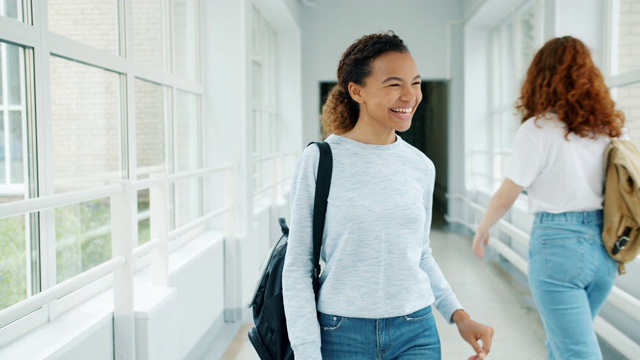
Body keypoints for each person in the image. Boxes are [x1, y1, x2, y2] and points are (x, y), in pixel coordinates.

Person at [283, 31, 494, 360]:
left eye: (416, 83)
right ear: (357, 91)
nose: (409, 95)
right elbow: (297, 267)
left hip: (416, 329)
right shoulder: (320, 161)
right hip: (341, 333)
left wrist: (460, 317)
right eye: (394, 84)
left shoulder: (420, 166)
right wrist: (307, 354)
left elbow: (421, 255)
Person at [472, 36, 626, 359]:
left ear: (539, 78)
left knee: (576, 352)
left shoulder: (537, 130)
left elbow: (506, 195)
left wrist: (483, 227)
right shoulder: (607, 129)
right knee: (561, 345)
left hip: (558, 249)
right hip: (605, 250)